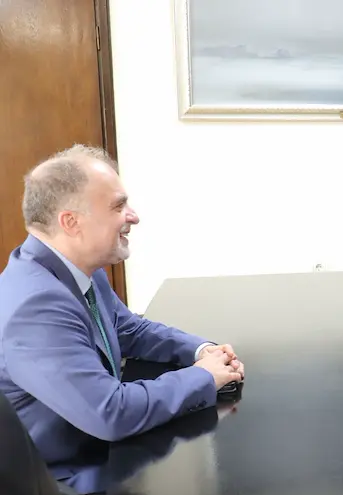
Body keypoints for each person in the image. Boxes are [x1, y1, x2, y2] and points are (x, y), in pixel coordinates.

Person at [0, 145, 244, 461]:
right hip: (64, 473)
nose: (134, 216)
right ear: (71, 222)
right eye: (118, 206)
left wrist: (202, 351)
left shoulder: (77, 270)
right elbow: (111, 413)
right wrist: (204, 377)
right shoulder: (35, 308)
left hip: (99, 448)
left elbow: (128, 329)